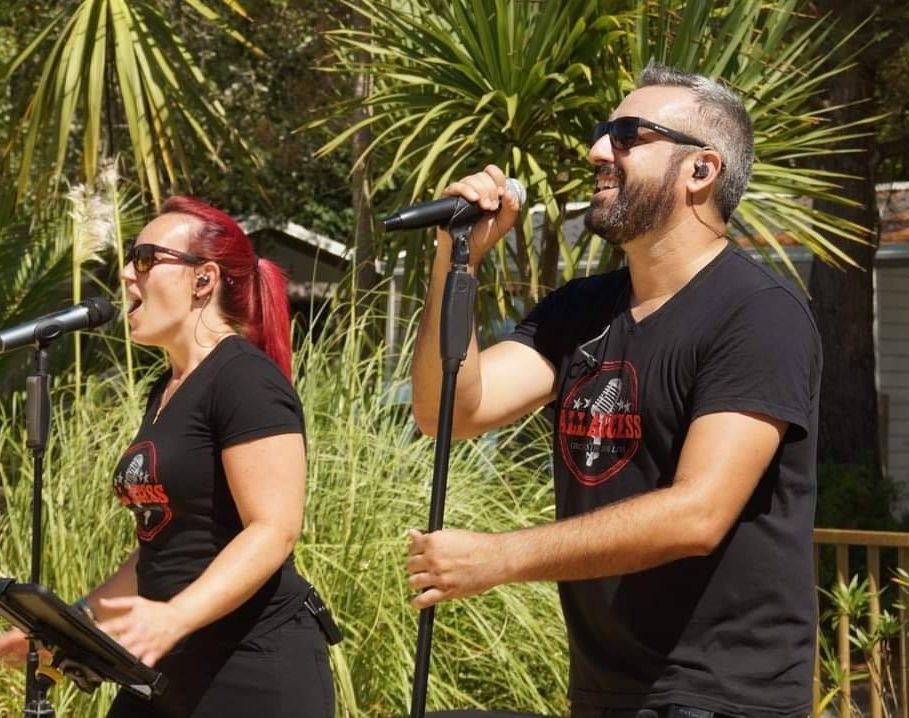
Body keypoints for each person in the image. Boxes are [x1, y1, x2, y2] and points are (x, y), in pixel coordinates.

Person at [406, 64, 821, 717]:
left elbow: (697, 513)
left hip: (718, 694)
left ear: (700, 170)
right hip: (607, 690)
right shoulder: (581, 309)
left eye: (628, 135)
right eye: (603, 132)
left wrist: (498, 557)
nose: (598, 150)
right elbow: (445, 412)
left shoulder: (756, 312)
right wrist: (454, 259)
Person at [0, 197, 335, 716]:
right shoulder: (167, 390)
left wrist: (173, 617)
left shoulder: (244, 378)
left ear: (203, 280)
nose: (128, 277)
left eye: (145, 258)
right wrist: (73, 626)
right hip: (170, 668)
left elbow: (274, 528)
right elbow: (161, 546)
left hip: (253, 668)